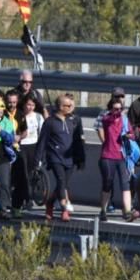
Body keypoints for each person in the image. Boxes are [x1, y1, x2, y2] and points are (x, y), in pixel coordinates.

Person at [35, 94, 85, 222]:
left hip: (70, 159)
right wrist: (37, 160)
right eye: (67, 105)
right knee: (61, 180)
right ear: (60, 107)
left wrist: (81, 158)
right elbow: (42, 142)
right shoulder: (50, 122)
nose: (70, 108)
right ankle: (64, 208)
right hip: (55, 157)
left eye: (70, 105)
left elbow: (78, 141)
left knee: (63, 184)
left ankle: (50, 203)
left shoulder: (72, 121)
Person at [97, 97, 139, 222]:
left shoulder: (125, 120)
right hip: (108, 156)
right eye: (116, 109)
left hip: (121, 157)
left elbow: (132, 134)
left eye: (121, 109)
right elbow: (108, 120)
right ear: (110, 109)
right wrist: (113, 115)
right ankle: (103, 210)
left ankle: (127, 211)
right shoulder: (106, 119)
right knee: (107, 184)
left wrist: (128, 136)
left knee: (125, 183)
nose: (118, 111)